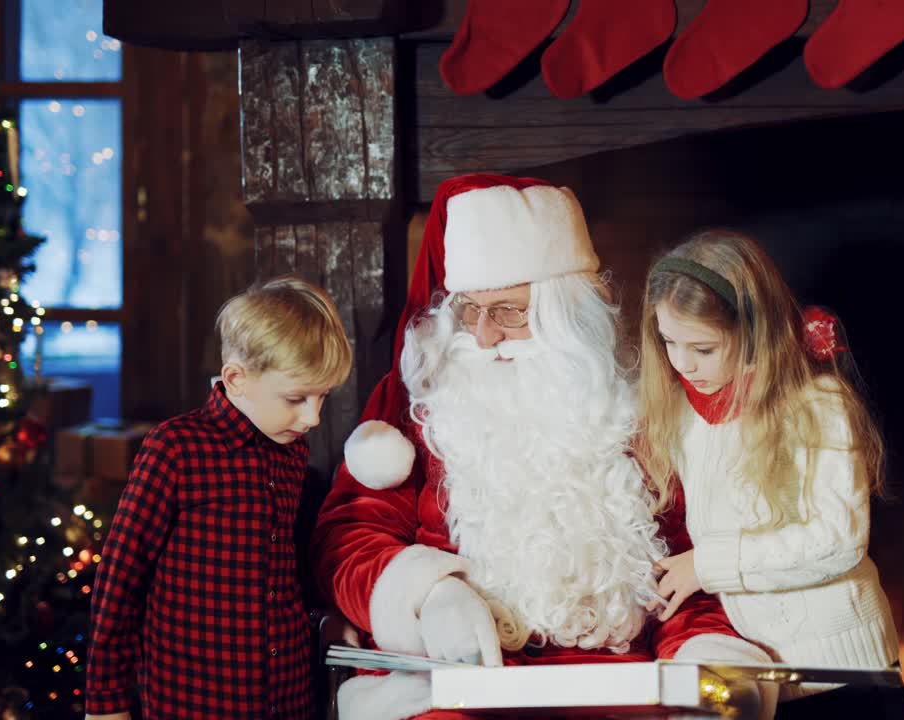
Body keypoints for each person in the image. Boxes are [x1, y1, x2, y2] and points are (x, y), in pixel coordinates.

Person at [312, 174, 775, 720]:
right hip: (463, 676)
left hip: (613, 676)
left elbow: (688, 568)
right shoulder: (424, 405)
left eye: (509, 310)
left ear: (566, 312)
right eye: (468, 310)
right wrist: (431, 597)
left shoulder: (633, 412)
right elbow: (347, 537)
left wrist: (706, 657)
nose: (483, 336)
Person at [638, 229, 904, 719]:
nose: (682, 364)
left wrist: (706, 566)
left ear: (754, 331)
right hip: (758, 680)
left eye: (703, 348)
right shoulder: (681, 413)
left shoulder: (817, 406)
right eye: (669, 343)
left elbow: (837, 540)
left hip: (843, 677)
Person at [85, 276, 353, 720]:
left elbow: (280, 566)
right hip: (195, 701)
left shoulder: (291, 449)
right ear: (236, 379)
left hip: (286, 696)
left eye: (322, 397)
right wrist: (105, 703)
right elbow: (119, 580)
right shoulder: (174, 449)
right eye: (296, 398)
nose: (312, 417)